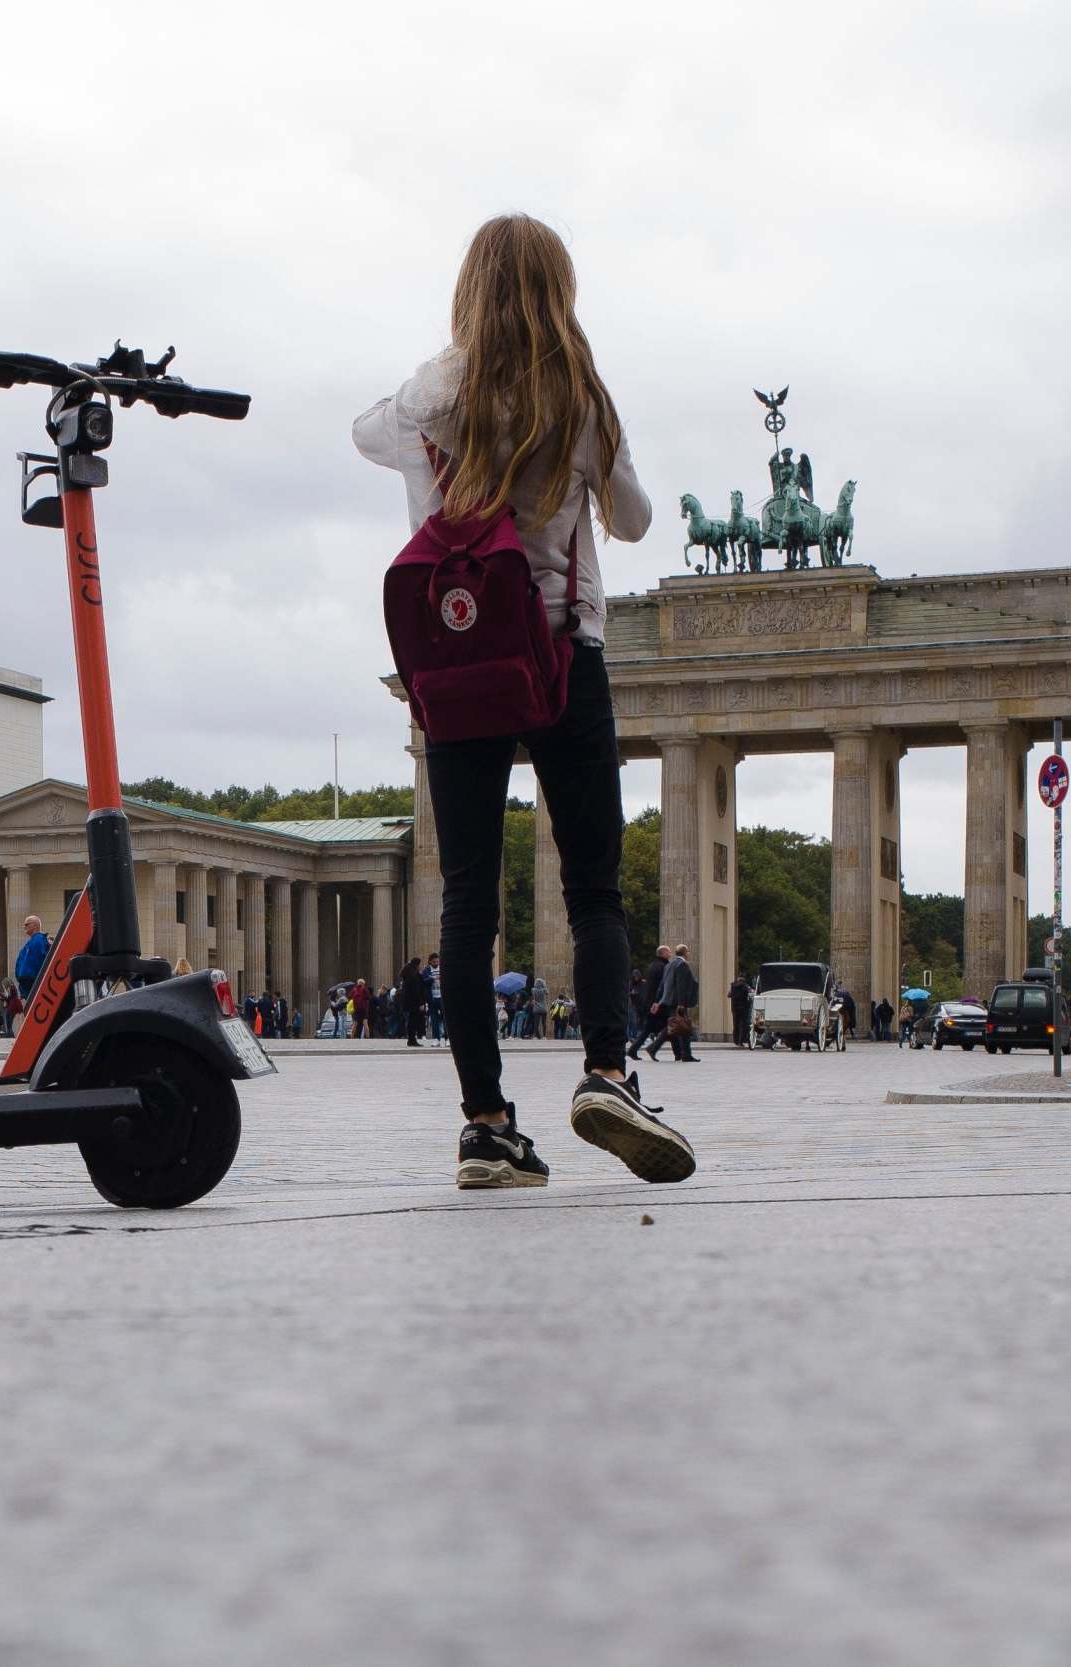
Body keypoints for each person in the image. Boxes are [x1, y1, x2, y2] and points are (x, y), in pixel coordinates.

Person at [354, 212, 694, 1188]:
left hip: (456, 661)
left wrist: (443, 389)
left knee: (465, 901)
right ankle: (603, 1072)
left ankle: (485, 1125)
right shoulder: (580, 396)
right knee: (592, 889)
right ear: (560, 291)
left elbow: (362, 432)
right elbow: (630, 520)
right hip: (560, 653)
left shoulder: (434, 396)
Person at [626, 945, 673, 1060]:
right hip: (658, 1004)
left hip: (650, 1003)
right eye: (668, 952)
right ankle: (678, 1052)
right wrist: (659, 1001)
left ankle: (633, 1050)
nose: (670, 954)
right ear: (662, 953)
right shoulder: (663, 966)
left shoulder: (653, 965)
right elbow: (662, 986)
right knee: (670, 1027)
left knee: (648, 1029)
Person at [657, 945, 700, 1062]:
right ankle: (686, 1054)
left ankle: (679, 1053)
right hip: (679, 1002)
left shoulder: (670, 964)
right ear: (685, 953)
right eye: (688, 952)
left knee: (675, 1026)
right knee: (683, 1027)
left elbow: (663, 984)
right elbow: (681, 985)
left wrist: (659, 1000)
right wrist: (681, 1003)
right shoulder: (682, 965)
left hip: (670, 1000)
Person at [15, 914, 51, 1003]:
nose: (24, 927)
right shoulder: (32, 942)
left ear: (35, 925)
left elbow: (37, 962)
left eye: (27, 924)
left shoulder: (38, 940)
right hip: (28, 986)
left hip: (32, 984)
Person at [728, 974, 754, 1048]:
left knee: (736, 1024)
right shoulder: (746, 987)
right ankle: (743, 1040)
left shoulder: (733, 987)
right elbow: (750, 996)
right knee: (744, 1025)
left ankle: (736, 1041)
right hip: (744, 1008)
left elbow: (729, 995)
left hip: (734, 1008)